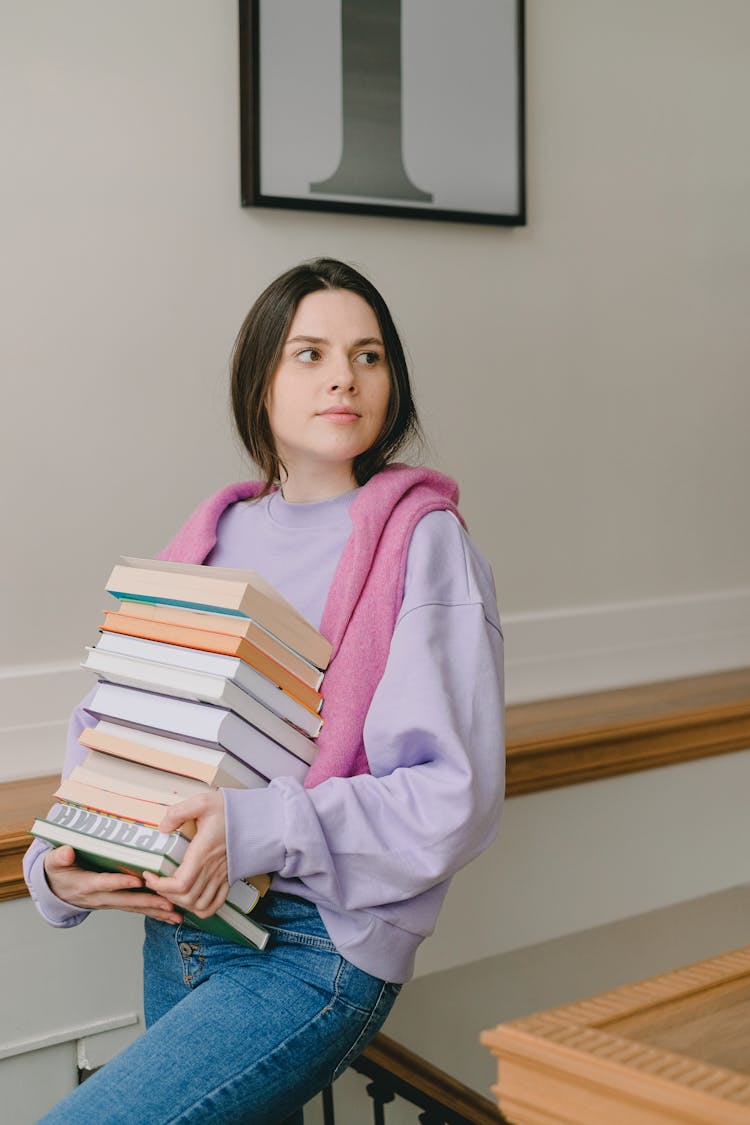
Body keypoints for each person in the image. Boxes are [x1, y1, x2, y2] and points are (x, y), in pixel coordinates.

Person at [24, 257, 505, 1124]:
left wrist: (251, 826)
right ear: (261, 381)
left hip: (314, 949)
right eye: (309, 354)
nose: (343, 379)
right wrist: (59, 869)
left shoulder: (425, 543)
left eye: (368, 356)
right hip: (178, 935)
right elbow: (115, 723)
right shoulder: (209, 537)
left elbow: (453, 796)